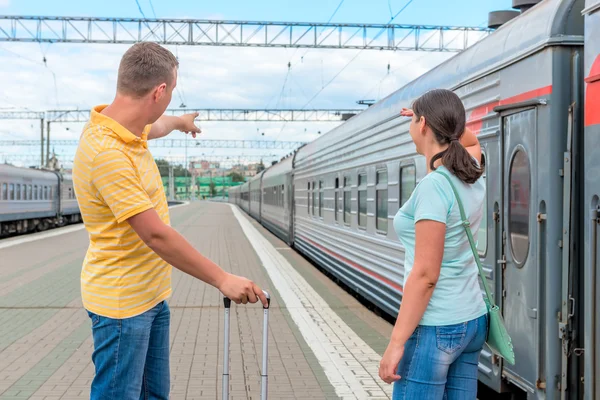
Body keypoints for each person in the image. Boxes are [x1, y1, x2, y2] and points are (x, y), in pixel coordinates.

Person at [72, 42, 268, 400]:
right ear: (159, 91)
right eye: (172, 94)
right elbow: (156, 236)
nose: (170, 102)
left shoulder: (128, 128)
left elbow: (157, 125)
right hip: (122, 307)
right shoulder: (107, 153)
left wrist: (181, 123)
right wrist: (222, 278)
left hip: (150, 297)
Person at [378, 89, 489, 399]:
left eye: (413, 119)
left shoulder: (434, 186)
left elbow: (426, 274)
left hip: (436, 326)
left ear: (422, 124)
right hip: (471, 321)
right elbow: (469, 140)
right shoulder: (472, 173)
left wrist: (396, 342)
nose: (410, 125)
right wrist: (444, 121)